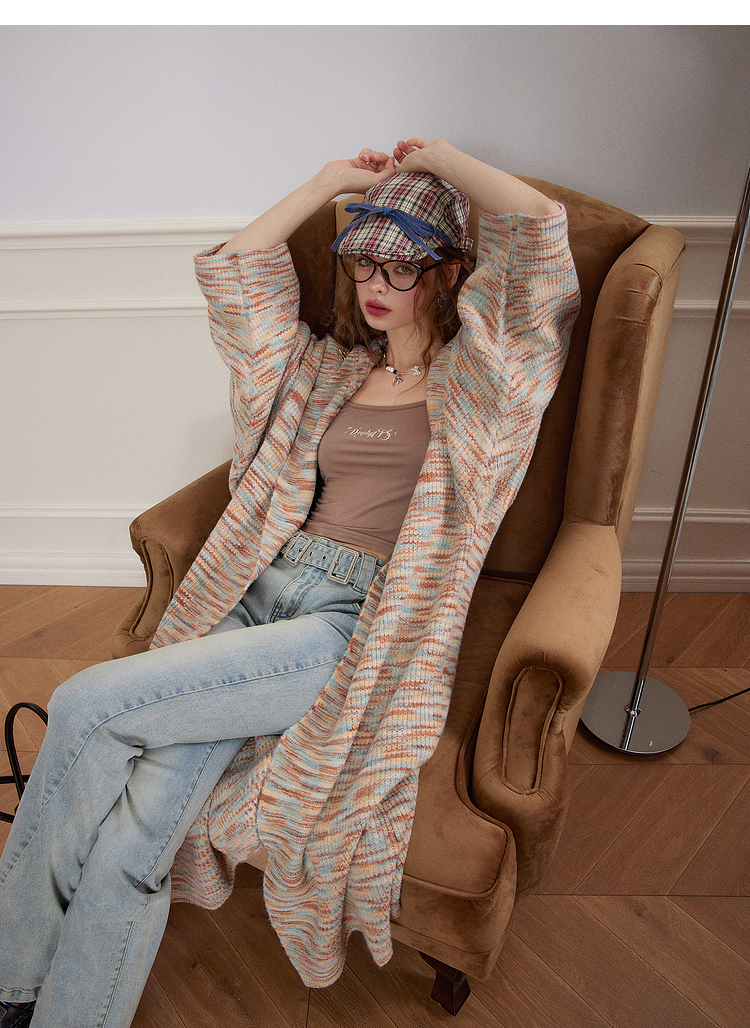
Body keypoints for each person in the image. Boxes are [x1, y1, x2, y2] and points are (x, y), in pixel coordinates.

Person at [0, 137, 580, 1028]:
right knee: (133, 836)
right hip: (252, 594)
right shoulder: (323, 370)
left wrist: (443, 158)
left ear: (447, 274)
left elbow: (539, 232)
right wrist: (331, 184)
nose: (375, 284)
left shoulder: (481, 390)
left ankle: (5, 976)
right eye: (362, 263)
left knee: (83, 704)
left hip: (344, 627)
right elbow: (236, 277)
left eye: (402, 267)